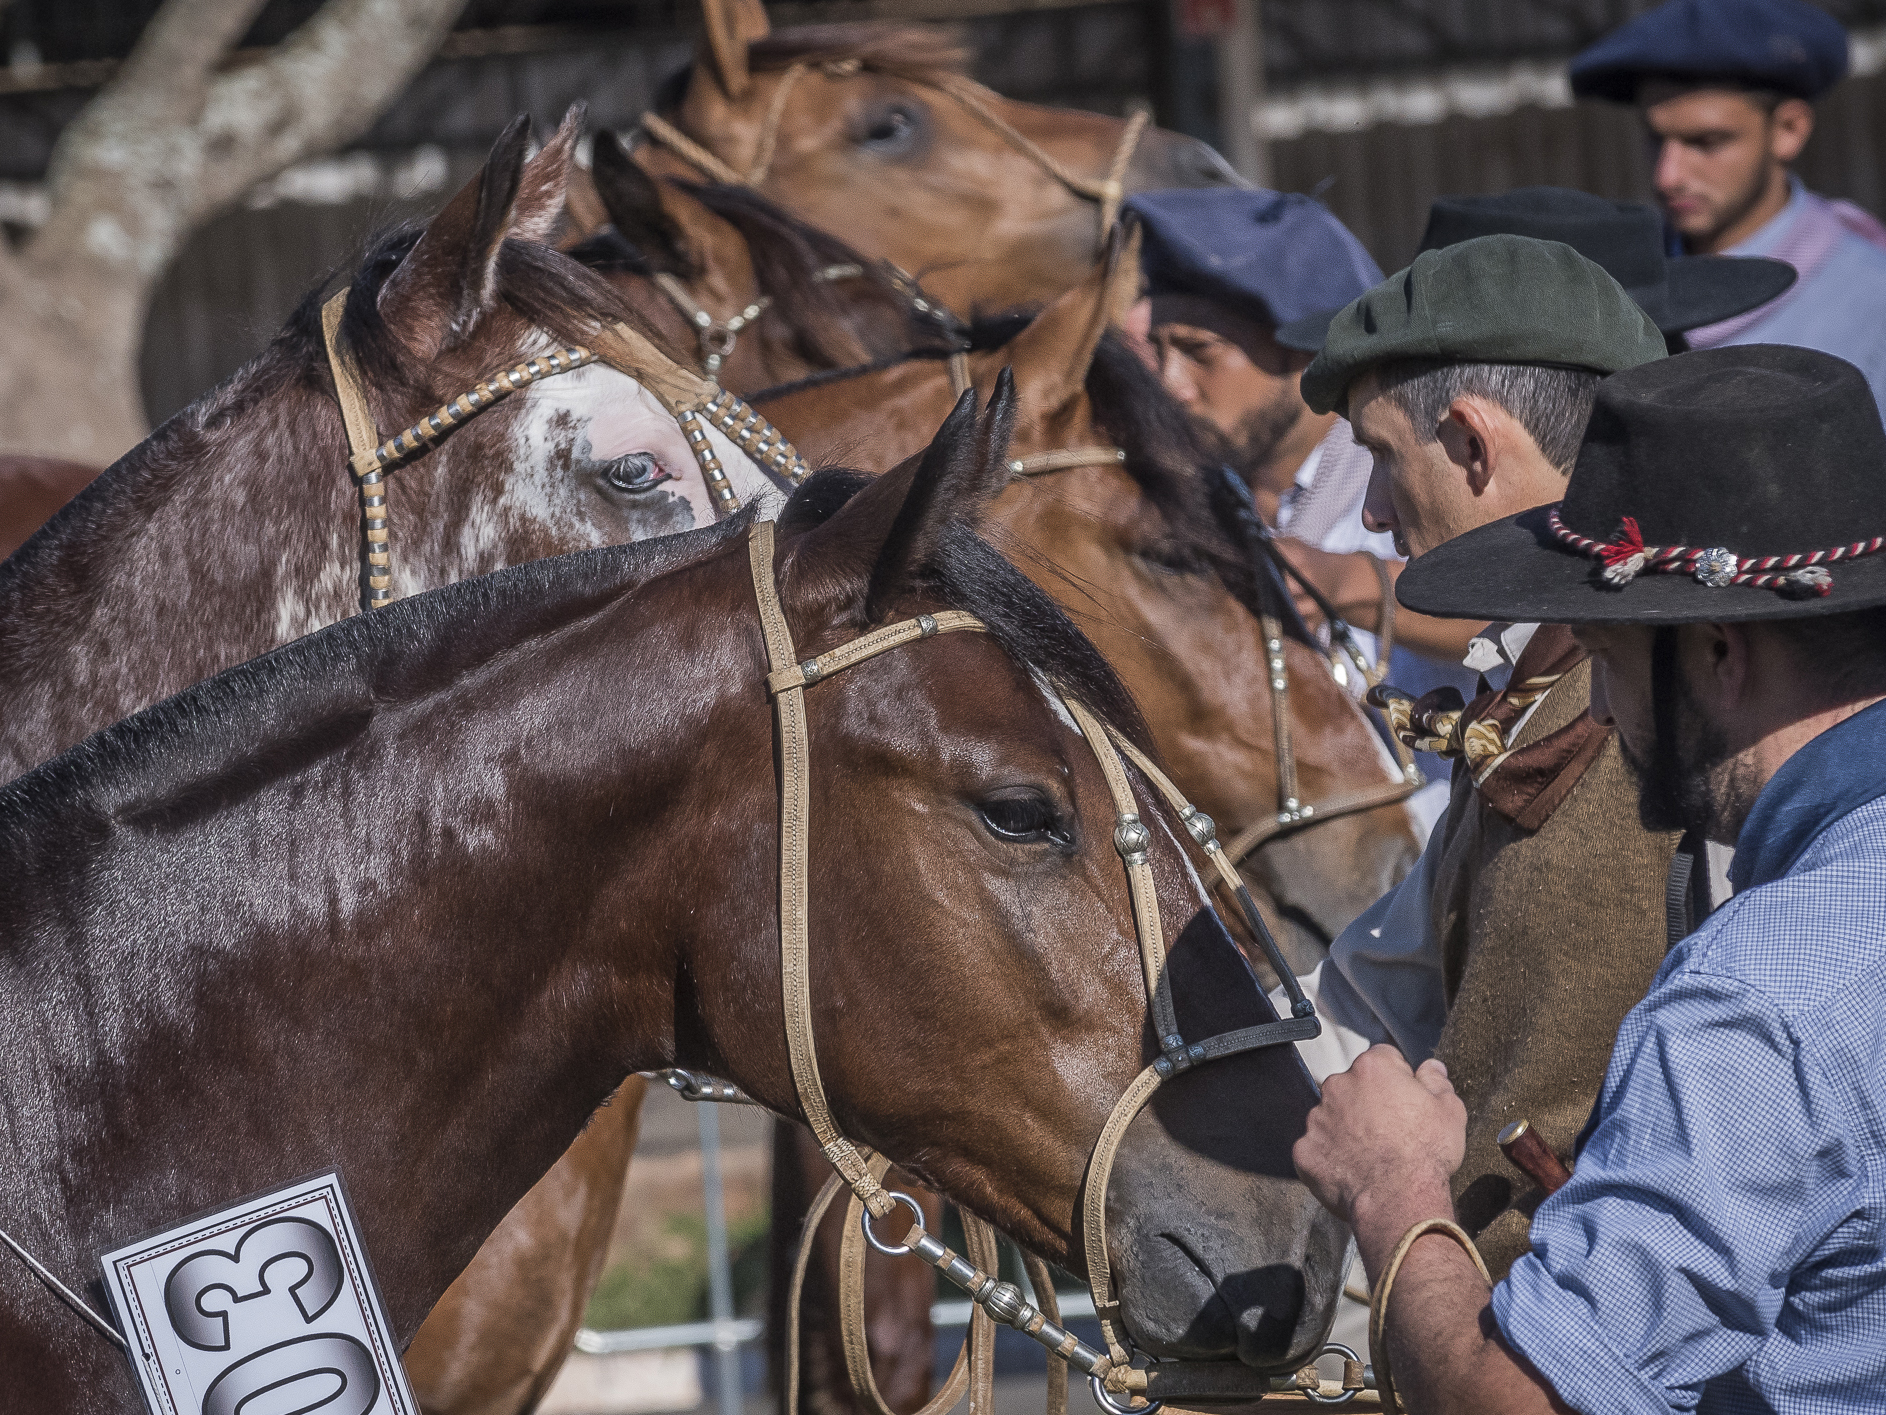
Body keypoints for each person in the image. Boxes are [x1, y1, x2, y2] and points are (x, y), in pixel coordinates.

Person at [1294, 343, 1886, 1411]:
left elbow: (1514, 1403)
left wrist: (1391, 1190)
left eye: (1606, 662)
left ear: (1717, 651)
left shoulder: (1756, 1001)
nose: (1601, 716)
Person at [1284, 234, 1685, 1284]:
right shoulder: (1545, 674)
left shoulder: (1670, 701)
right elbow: (1377, 996)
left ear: (1469, 442)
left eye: (1378, 456)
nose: (1369, 513)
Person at [1121, 188, 1478, 809]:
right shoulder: (1181, 498)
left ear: (1300, 348)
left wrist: (1346, 584)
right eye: (1156, 351)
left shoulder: (1420, 478)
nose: (1170, 386)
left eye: (1199, 351)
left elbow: (1529, 619)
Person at [1570, 0, 1886, 406]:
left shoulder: (1871, 300)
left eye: (1707, 142)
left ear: (1789, 129)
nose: (1668, 176)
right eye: (1655, 138)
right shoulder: (1611, 290)